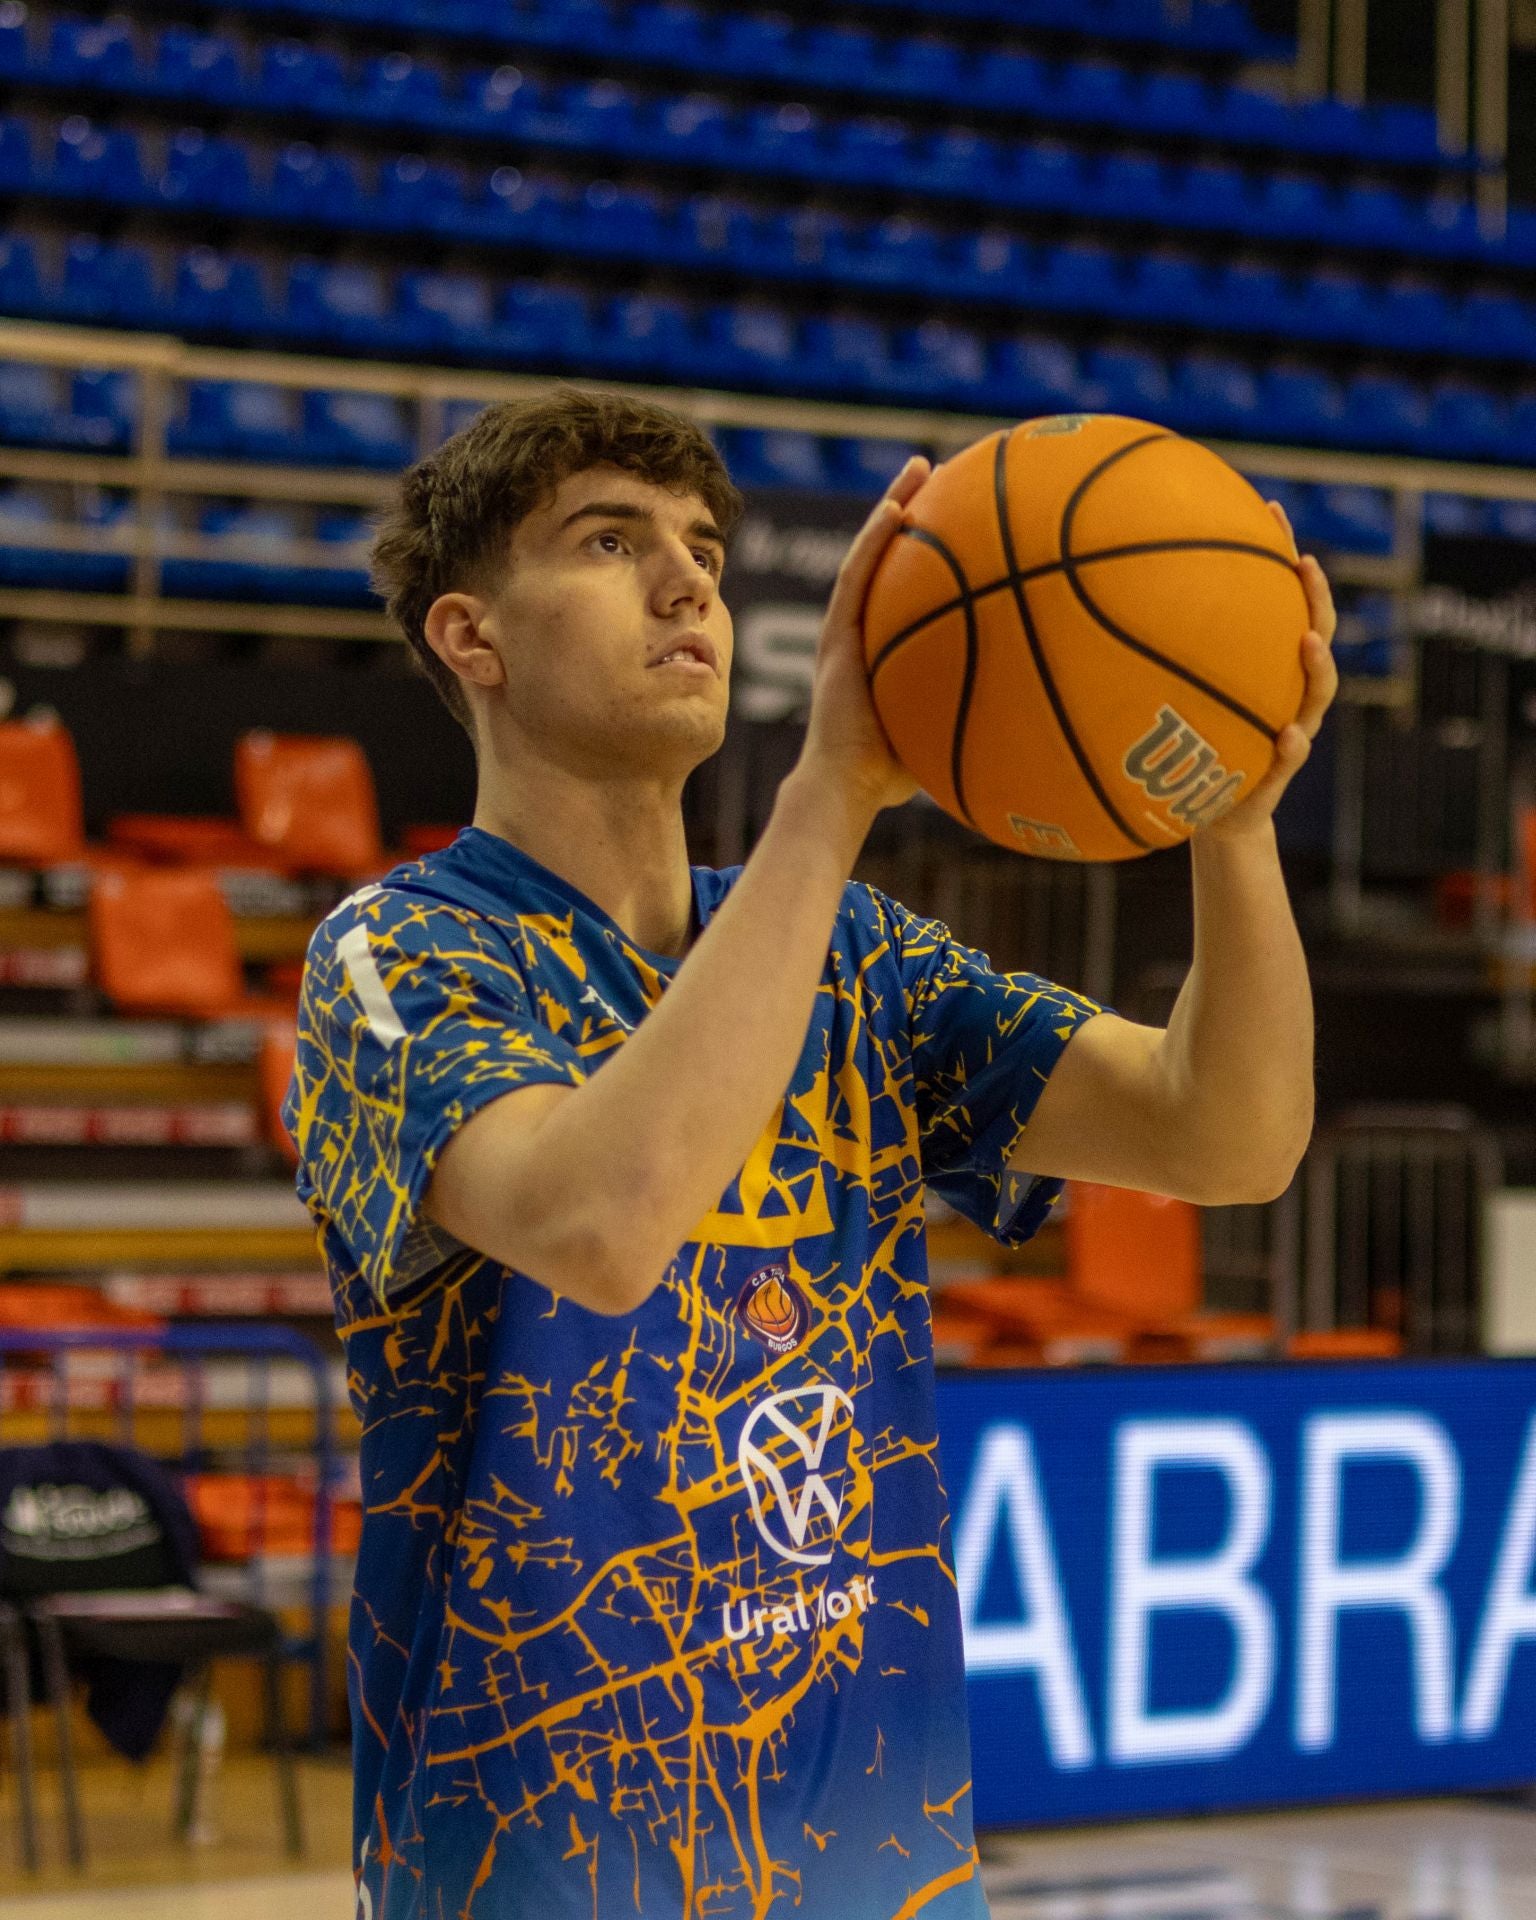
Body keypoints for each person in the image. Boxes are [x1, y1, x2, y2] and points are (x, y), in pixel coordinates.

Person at [286, 388, 1336, 1920]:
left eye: (703, 546)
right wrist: (831, 788)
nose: (686, 579)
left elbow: (1228, 1134)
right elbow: (601, 1223)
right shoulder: (397, 956)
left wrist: (1230, 825)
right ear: (471, 637)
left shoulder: (856, 956)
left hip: (873, 1850)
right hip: (539, 1858)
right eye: (608, 541)